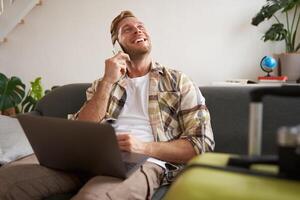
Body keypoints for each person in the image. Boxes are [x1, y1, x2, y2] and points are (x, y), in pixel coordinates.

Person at [0, 10, 214, 200]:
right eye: (127, 29)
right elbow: (80, 129)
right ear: (117, 45)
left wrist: (142, 146)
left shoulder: (178, 80)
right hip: (87, 158)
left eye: (141, 27)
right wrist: (108, 81)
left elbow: (201, 144)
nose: (138, 31)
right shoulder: (102, 83)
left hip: (144, 160)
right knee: (6, 181)